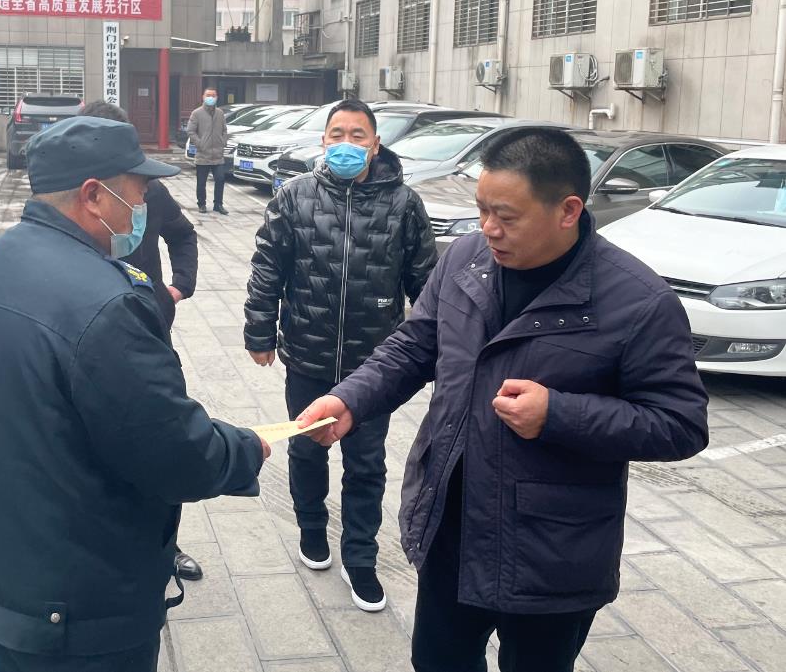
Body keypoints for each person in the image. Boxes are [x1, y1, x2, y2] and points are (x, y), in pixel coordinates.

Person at [296, 127, 710, 672]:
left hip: (551, 550)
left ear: (567, 211)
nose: (488, 228)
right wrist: (350, 400)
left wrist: (559, 414)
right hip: (452, 525)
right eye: (482, 210)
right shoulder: (466, 259)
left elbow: (680, 423)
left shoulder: (637, 301)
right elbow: (415, 345)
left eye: (507, 216)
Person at [0, 117, 269, 672]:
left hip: (4, 581)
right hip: (81, 613)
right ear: (94, 196)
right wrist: (243, 450)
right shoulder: (106, 304)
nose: (143, 206)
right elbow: (172, 451)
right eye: (138, 191)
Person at [243, 98, 436, 613]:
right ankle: (311, 529)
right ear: (323, 141)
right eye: (337, 135)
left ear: (376, 144)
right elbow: (268, 267)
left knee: (367, 463)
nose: (346, 144)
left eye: (357, 135)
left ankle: (360, 557)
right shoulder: (295, 196)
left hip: (375, 365)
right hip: (307, 353)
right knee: (307, 450)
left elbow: (427, 286)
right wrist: (260, 331)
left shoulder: (404, 204)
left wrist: (439, 352)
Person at [79, 100, 204, 581]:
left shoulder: (151, 193)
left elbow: (183, 236)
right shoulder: (73, 204)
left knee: (162, 437)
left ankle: (164, 544)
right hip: (90, 342)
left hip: (150, 332)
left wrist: (178, 287)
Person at [186, 88, 228, 215]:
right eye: (208, 95)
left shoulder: (220, 113)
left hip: (218, 154)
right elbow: (190, 131)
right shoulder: (196, 113)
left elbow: (224, 130)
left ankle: (218, 204)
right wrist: (200, 144)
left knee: (220, 179)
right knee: (201, 182)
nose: (211, 98)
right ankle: (202, 204)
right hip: (203, 154)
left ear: (217, 97)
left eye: (213, 95)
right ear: (203, 97)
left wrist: (223, 142)